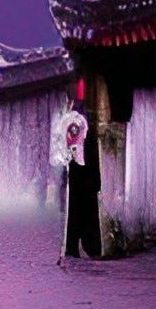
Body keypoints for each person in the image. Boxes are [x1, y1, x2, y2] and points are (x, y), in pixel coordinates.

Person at [50, 102, 101, 259]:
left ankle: (79, 247)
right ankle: (81, 247)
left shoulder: (79, 131)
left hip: (81, 183)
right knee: (81, 217)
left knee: (79, 217)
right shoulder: (83, 132)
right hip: (81, 183)